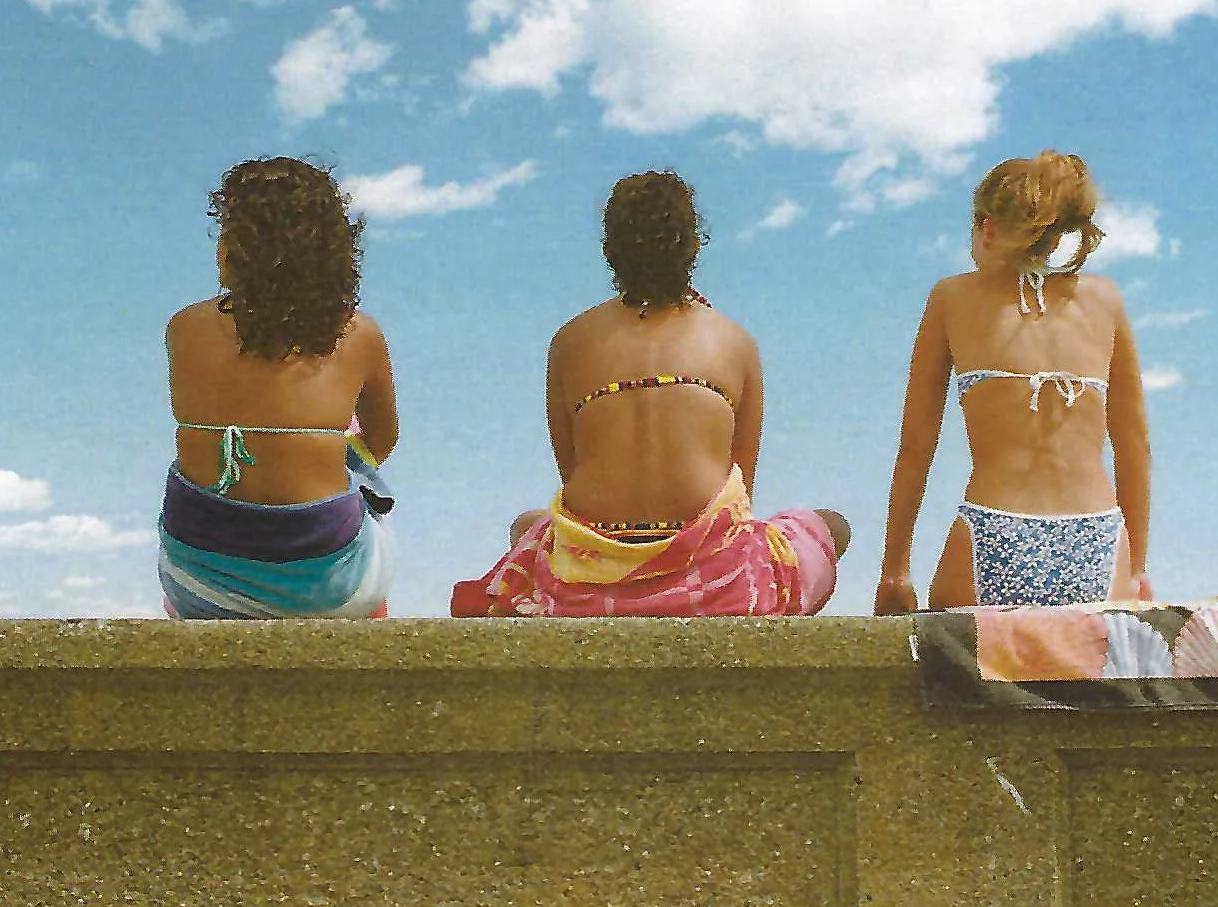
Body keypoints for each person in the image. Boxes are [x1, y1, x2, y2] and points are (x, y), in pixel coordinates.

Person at [453, 170, 849, 618]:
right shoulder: (735, 341)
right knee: (831, 526)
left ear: (611, 251)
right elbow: (739, 491)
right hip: (718, 587)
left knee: (527, 525)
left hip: (584, 587)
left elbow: (572, 469)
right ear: (692, 245)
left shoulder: (569, 340)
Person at [875, 151, 1151, 614]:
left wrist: (895, 571)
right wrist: (1137, 568)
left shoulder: (952, 297)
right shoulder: (1104, 300)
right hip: (1095, 538)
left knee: (964, 684)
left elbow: (917, 445)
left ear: (986, 227)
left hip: (993, 532)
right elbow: (1134, 443)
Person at [159, 156, 400, 619]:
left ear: (234, 250)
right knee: (357, 470)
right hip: (331, 588)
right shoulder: (360, 334)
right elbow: (382, 441)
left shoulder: (185, 328)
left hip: (200, 583)